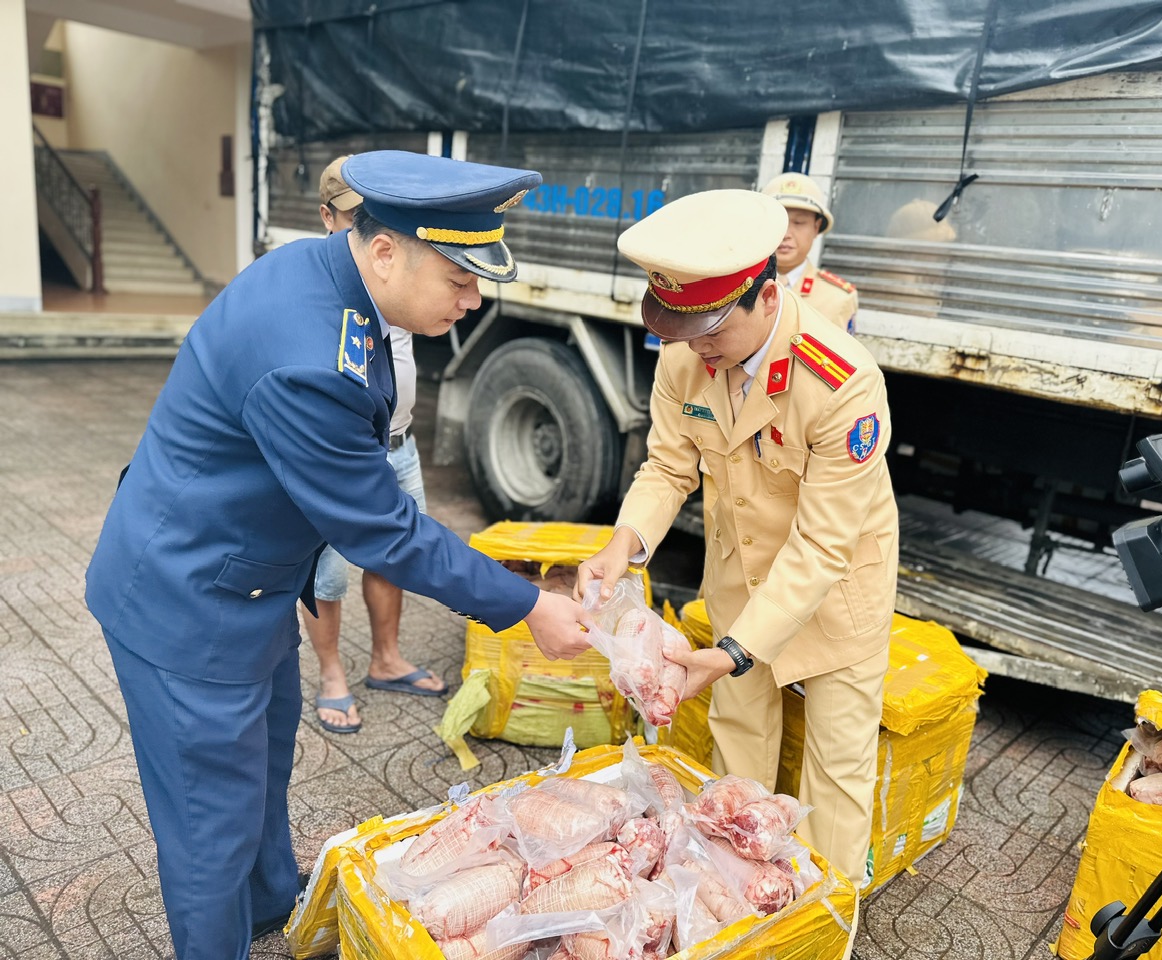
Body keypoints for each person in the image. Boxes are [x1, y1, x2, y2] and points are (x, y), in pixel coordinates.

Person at [84, 150, 592, 960]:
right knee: (210, 827)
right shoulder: (310, 356)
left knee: (261, 767)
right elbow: (383, 530)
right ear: (385, 250)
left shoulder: (334, 280)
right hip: (190, 607)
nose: (473, 300)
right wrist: (528, 605)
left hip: (247, 585)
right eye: (460, 279)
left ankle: (269, 910)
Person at [576, 189, 898, 885]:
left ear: (767, 295)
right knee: (738, 757)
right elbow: (668, 466)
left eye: (712, 329)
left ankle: (829, 917)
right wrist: (622, 543)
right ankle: (740, 898)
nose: (698, 348)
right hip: (739, 580)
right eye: (684, 330)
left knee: (835, 776)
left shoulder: (841, 384)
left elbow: (823, 546)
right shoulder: (684, 357)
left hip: (837, 593)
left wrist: (731, 653)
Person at [306, 156, 443, 736]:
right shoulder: (320, 286)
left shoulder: (394, 267)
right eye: (353, 219)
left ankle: (386, 660)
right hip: (343, 454)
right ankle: (331, 674)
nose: (369, 232)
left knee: (397, 554)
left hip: (399, 443)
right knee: (326, 573)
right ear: (327, 218)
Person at [760, 171, 858, 332]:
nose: (786, 234)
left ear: (816, 227)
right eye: (779, 221)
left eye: (799, 222)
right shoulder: (735, 284)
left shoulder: (837, 298)